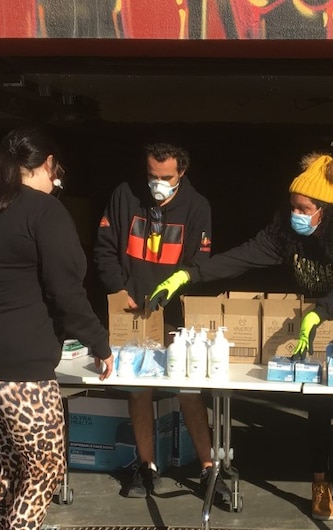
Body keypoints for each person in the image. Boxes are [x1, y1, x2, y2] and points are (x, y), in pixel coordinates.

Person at [148, 152, 333, 521]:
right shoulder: (286, 232)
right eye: (293, 206)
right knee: (318, 399)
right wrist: (188, 275)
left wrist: (322, 312)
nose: (296, 214)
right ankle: (319, 480)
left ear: (324, 208)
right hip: (313, 317)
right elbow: (241, 256)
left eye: (304, 208)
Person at [0, 127, 114, 530]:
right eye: (55, 170)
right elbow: (68, 293)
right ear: (46, 166)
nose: (57, 179)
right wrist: (100, 344)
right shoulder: (47, 212)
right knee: (44, 470)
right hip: (17, 365)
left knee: (9, 458)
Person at [93, 140, 231, 504]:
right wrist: (119, 291)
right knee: (139, 389)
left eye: (166, 177)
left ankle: (207, 467)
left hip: (174, 313)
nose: (157, 183)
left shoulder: (197, 207)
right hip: (130, 311)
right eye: (152, 176)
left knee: (189, 390)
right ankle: (146, 466)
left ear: (181, 173)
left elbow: (198, 266)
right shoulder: (124, 196)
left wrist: (167, 298)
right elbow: (103, 249)